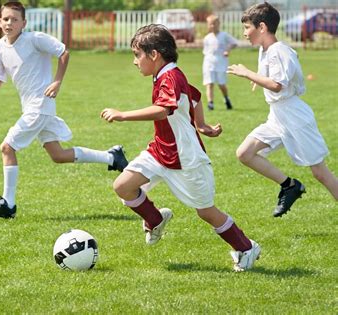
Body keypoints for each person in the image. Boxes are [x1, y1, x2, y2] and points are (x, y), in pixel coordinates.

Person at [100, 24, 260, 272]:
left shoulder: (170, 76)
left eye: (137, 54)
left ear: (154, 54)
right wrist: (202, 124)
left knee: (206, 212)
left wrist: (122, 115)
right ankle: (155, 219)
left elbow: (164, 109)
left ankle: (246, 248)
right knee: (122, 186)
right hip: (160, 150)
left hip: (185, 157)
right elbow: (194, 96)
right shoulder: (166, 74)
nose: (134, 61)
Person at [0, 1, 128, 218]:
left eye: (15, 19)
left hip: (40, 105)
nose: (10, 23)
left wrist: (57, 81)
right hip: (31, 108)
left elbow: (64, 52)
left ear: (24, 23)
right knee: (57, 155)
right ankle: (112, 158)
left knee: (7, 148)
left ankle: (7, 205)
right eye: (6, 19)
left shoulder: (34, 39)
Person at [227, 2, 338, 217]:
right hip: (277, 116)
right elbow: (271, 78)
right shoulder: (265, 49)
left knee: (320, 173)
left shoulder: (279, 51)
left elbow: (278, 85)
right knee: (245, 153)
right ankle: (289, 186)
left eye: (247, 27)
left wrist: (247, 73)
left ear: (261, 27)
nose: (244, 33)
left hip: (295, 116)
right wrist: (258, 79)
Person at [202, 14, 238, 111]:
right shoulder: (207, 38)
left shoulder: (224, 35)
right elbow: (206, 52)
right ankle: (210, 103)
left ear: (219, 24)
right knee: (209, 83)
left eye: (214, 24)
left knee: (221, 84)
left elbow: (234, 43)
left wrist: (228, 50)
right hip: (209, 63)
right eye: (210, 24)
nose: (212, 26)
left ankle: (226, 99)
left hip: (221, 62)